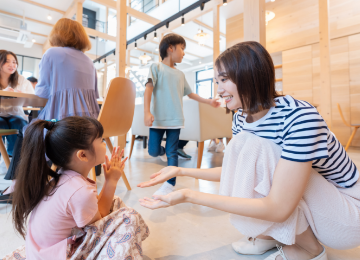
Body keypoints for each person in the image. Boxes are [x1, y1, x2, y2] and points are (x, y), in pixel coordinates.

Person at [138, 42, 360, 260]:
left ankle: (309, 250)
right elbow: (235, 169)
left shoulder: (299, 117)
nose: (219, 89)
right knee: (251, 145)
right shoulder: (241, 117)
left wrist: (188, 195)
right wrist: (180, 172)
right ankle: (273, 234)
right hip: (315, 204)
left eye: (224, 80)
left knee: (258, 146)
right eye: (217, 81)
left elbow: (279, 207)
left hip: (347, 214)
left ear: (249, 75)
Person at [6, 117, 149, 260]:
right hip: (58, 255)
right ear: (83, 155)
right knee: (129, 217)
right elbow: (98, 226)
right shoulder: (80, 191)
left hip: (42, 252)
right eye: (101, 140)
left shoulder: (63, 177)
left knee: (114, 202)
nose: (104, 143)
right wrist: (111, 181)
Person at [1, 18, 100, 201]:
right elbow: (95, 95)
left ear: (57, 34)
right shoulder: (89, 61)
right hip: (89, 127)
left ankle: (16, 186)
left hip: (63, 124)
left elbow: (42, 94)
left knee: (28, 131)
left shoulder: (52, 54)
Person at [144, 33, 219, 196]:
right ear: (171, 48)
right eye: (182, 49)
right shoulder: (155, 68)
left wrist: (209, 101)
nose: (184, 53)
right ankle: (162, 152)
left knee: (173, 153)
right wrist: (147, 111)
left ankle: (170, 185)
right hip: (158, 120)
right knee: (153, 151)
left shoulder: (181, 74)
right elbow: (148, 89)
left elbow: (191, 94)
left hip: (176, 120)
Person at [0, 50, 34, 177]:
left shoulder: (21, 80)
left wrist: (21, 96)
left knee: (19, 122)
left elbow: (31, 100)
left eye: (14, 62)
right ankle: (8, 160)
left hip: (15, 114)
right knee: (1, 124)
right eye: (7, 61)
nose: (12, 65)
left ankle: (16, 162)